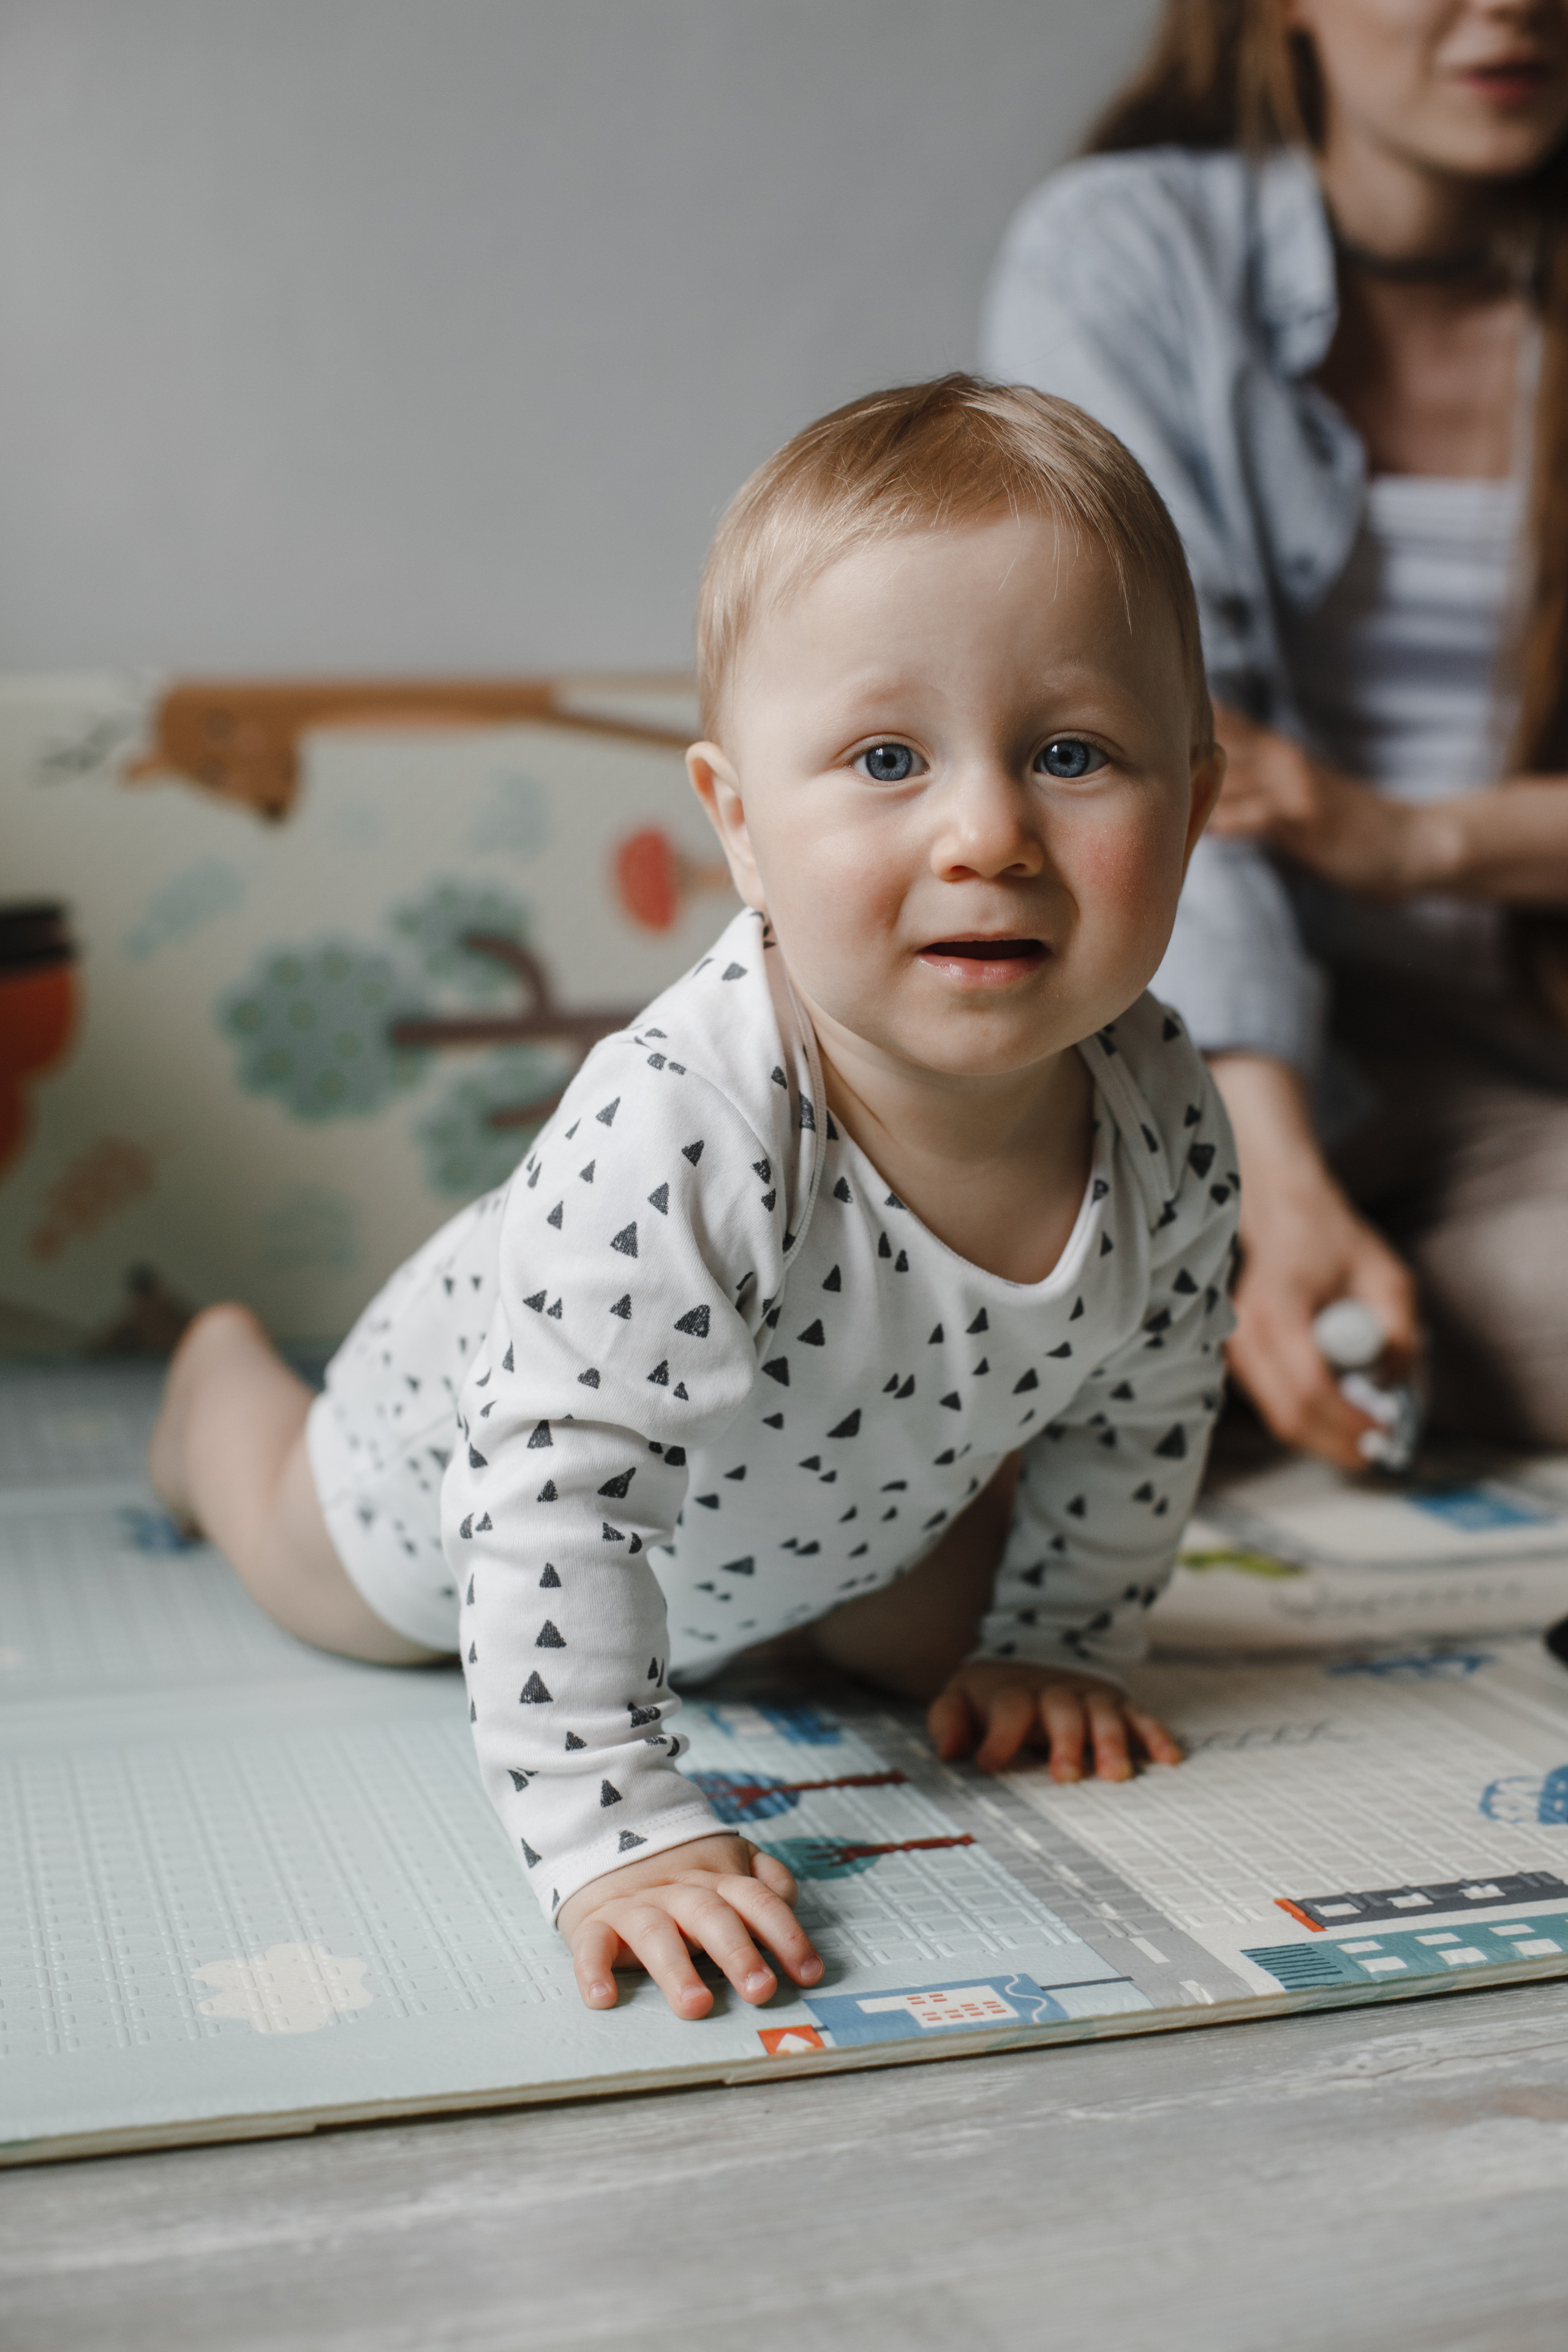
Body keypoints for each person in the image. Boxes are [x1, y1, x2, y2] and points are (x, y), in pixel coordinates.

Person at [149, 377, 1232, 2020]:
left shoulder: (1166, 1116)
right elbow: (550, 1506)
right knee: (306, 1552)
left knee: (960, 1630)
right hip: (458, 1489)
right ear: (738, 822)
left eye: (1072, 754)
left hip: (836, 1524)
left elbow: (1145, 1405)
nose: (989, 830)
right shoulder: (692, 1122)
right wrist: (615, 1830)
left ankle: (914, 1624)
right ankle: (208, 1389)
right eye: (887, 757)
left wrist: (1063, 1639)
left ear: (1198, 805)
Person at [984, 0, 1568, 1464]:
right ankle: (1225, 1303)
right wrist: (1273, 1181)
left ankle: (1220, 1348)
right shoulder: (1128, 253)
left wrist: (1413, 836)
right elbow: (1154, 743)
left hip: (1503, 1066)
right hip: (1175, 1035)